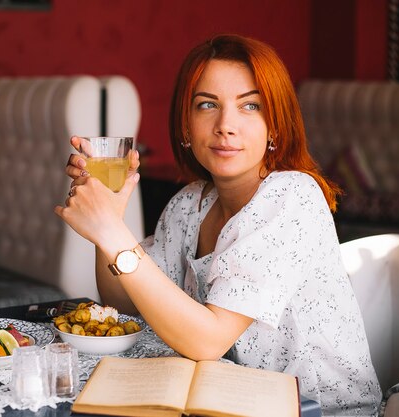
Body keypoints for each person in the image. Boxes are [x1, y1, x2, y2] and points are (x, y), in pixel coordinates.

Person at [55, 34, 381, 416]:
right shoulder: (190, 204)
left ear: (274, 126)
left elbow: (208, 340)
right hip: (228, 404)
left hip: (316, 411)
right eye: (207, 104)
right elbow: (123, 300)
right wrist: (106, 227)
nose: (226, 125)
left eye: (250, 106)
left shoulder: (292, 197)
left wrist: (114, 234)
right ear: (186, 126)